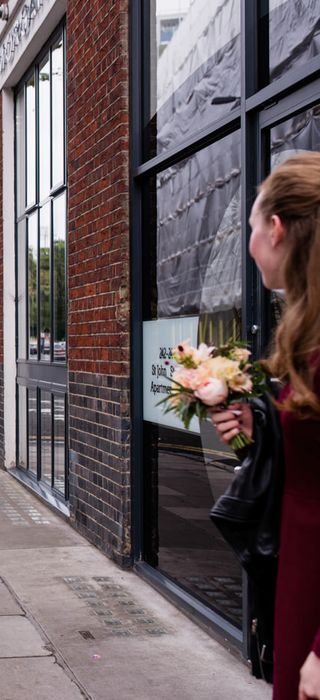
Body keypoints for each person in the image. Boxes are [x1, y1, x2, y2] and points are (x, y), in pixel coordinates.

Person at [211, 153, 320, 699]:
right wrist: (259, 433)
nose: (249, 243)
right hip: (299, 563)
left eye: (251, 226)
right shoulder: (304, 332)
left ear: (276, 230)